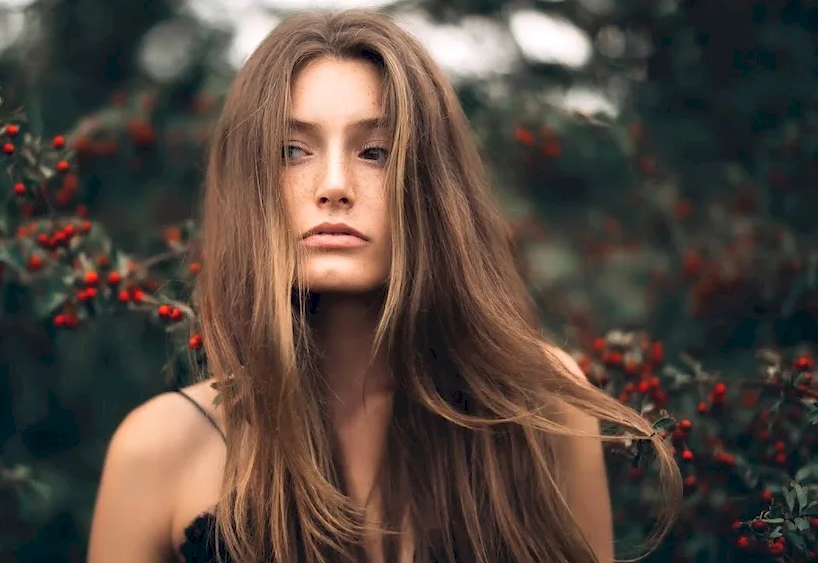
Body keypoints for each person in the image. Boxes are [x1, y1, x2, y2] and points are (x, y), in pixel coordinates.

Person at [88, 8, 681, 563]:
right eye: (293, 151)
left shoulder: (541, 410)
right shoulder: (158, 448)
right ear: (253, 185)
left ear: (431, 187)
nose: (335, 185)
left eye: (376, 151)